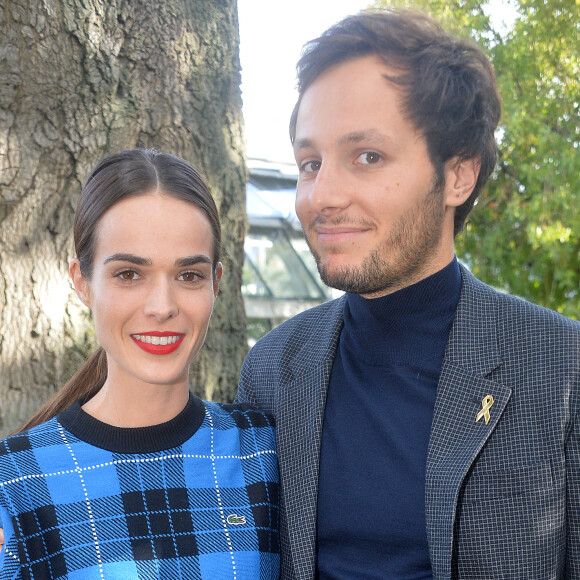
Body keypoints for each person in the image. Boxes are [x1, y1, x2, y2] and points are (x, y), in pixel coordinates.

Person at [235, 8, 580, 580]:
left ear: (458, 175)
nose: (324, 195)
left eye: (367, 157)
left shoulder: (562, 368)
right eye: (310, 163)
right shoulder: (273, 369)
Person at [0, 149, 280, 579]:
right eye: (129, 274)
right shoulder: (13, 484)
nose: (162, 306)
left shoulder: (265, 451)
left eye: (189, 275)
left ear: (216, 284)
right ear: (82, 282)